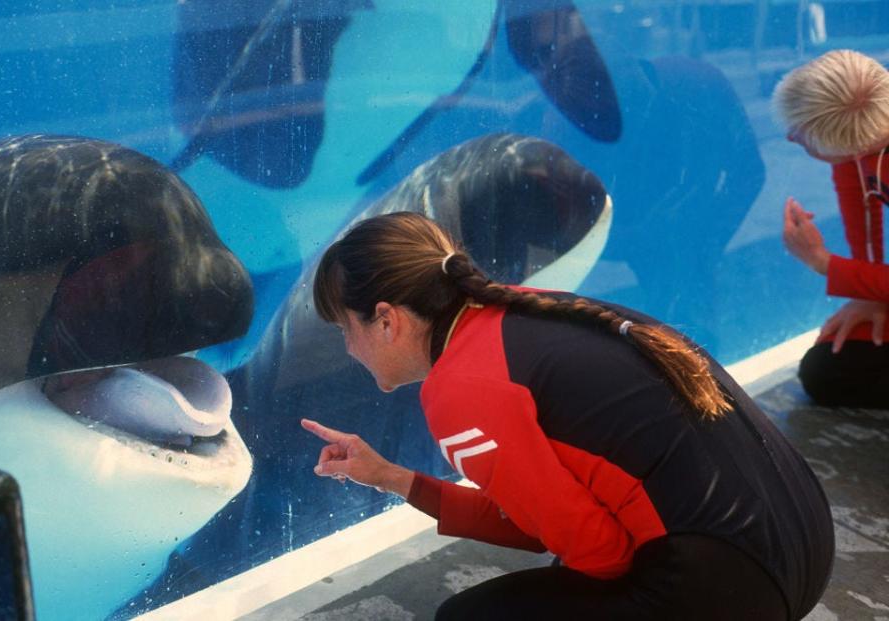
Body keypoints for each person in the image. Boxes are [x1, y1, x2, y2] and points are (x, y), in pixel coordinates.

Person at [301, 211, 833, 620]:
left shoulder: (459, 389)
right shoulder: (528, 308)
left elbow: (599, 557)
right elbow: (545, 521)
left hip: (733, 587)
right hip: (800, 548)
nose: (348, 348)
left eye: (345, 328)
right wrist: (392, 478)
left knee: (469, 617)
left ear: (387, 320)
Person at [774, 49, 889, 408]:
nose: (792, 138)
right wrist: (871, 296)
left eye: (803, 135)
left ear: (858, 144)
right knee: (826, 368)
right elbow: (859, 197)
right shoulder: (868, 141)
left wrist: (825, 264)